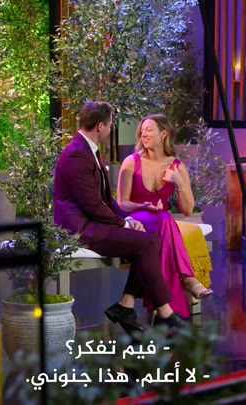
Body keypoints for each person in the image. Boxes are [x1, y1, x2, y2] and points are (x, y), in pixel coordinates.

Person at [53, 102, 188, 334]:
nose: (110, 129)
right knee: (147, 243)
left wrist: (128, 219)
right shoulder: (77, 154)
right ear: (100, 126)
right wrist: (123, 223)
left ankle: (126, 305)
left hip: (93, 221)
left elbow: (106, 199)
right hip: (80, 228)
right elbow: (93, 204)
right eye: (110, 125)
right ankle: (165, 312)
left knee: (150, 239)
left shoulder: (90, 151)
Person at [116, 114, 213, 320]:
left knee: (163, 221)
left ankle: (161, 307)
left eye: (149, 130)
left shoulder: (177, 167)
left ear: (163, 134)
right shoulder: (131, 162)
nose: (144, 134)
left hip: (160, 222)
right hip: (136, 218)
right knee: (165, 220)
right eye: (142, 130)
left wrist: (179, 182)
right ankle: (188, 279)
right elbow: (122, 203)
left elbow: (187, 210)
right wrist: (143, 205)